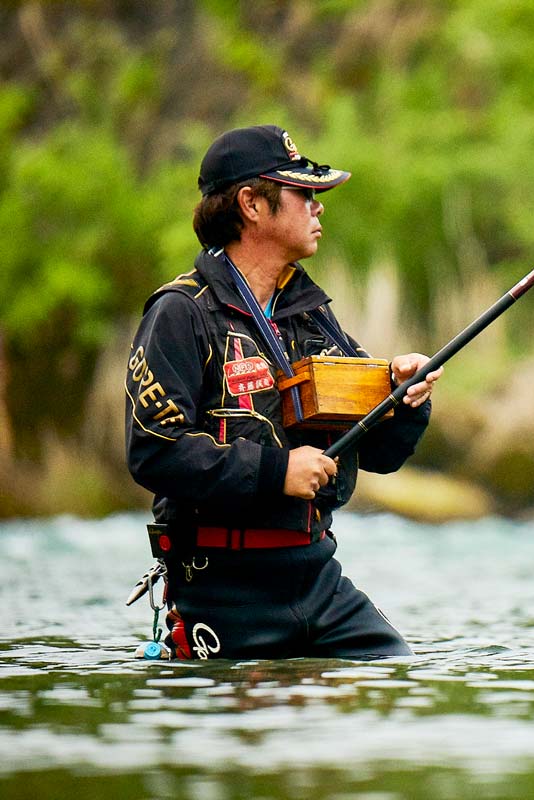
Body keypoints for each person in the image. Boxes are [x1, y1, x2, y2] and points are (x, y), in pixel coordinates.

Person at [125, 124, 441, 660]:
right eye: (304, 195)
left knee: (398, 676)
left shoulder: (313, 315)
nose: (319, 208)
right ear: (251, 204)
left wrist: (405, 398)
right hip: (220, 591)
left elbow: (383, 456)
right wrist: (278, 472)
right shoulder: (180, 314)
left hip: (319, 581)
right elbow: (154, 450)